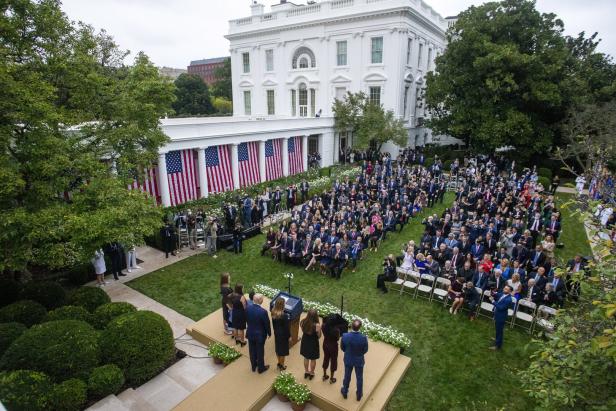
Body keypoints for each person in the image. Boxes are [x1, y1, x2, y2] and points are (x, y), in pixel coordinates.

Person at [341, 319, 369, 402]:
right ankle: (359, 395)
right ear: (360, 327)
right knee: (359, 378)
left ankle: (345, 391)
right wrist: (359, 354)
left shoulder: (345, 336)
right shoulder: (363, 338)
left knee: (347, 376)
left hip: (348, 359)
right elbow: (365, 350)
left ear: (351, 326)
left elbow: (343, 348)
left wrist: (348, 353)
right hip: (359, 360)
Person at [245, 293, 271, 373]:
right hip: (260, 335)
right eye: (262, 299)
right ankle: (261, 368)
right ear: (260, 301)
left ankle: (253, 366)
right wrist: (269, 333)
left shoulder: (247, 308)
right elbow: (266, 324)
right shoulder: (263, 312)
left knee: (252, 351)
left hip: (250, 333)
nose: (263, 300)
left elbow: (247, 319)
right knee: (260, 352)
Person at [489, 285, 513, 350]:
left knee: (499, 331)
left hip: (501, 316)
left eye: (506, 289)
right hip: (497, 314)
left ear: (510, 291)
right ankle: (497, 339)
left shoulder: (508, 299)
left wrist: (493, 301)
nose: (504, 289)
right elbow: (496, 295)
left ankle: (498, 346)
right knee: (497, 329)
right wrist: (492, 291)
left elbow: (501, 307)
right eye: (504, 288)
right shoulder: (503, 294)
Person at [300, 309, 322, 380]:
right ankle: (312, 373)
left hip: (305, 341)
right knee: (313, 359)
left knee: (306, 357)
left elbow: (303, 330)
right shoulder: (317, 325)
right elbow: (319, 336)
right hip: (313, 343)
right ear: (316, 316)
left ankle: (306, 371)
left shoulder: (303, 321)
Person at [270, 297, 291, 371]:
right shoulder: (284, 316)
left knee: (278, 349)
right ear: (282, 305)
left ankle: (279, 363)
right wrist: (289, 336)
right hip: (283, 336)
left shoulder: (273, 312)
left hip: (277, 333)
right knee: (283, 351)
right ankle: (282, 365)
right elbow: (286, 328)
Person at [321, 314, 341, 384]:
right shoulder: (336, 330)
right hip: (333, 346)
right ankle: (331, 378)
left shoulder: (323, 326)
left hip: (325, 344)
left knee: (326, 358)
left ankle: (324, 375)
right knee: (333, 361)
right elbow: (338, 338)